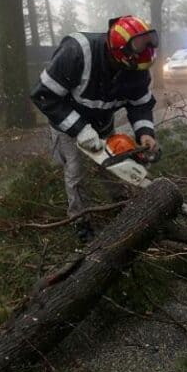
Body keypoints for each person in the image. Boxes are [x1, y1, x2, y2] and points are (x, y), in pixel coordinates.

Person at [30, 15, 159, 241]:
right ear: (120, 54)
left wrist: (145, 132)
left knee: (114, 164)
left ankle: (121, 203)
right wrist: (79, 129)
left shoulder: (137, 66)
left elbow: (140, 104)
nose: (137, 74)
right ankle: (80, 220)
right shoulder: (76, 53)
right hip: (67, 123)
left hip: (103, 123)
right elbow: (44, 96)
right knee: (76, 171)